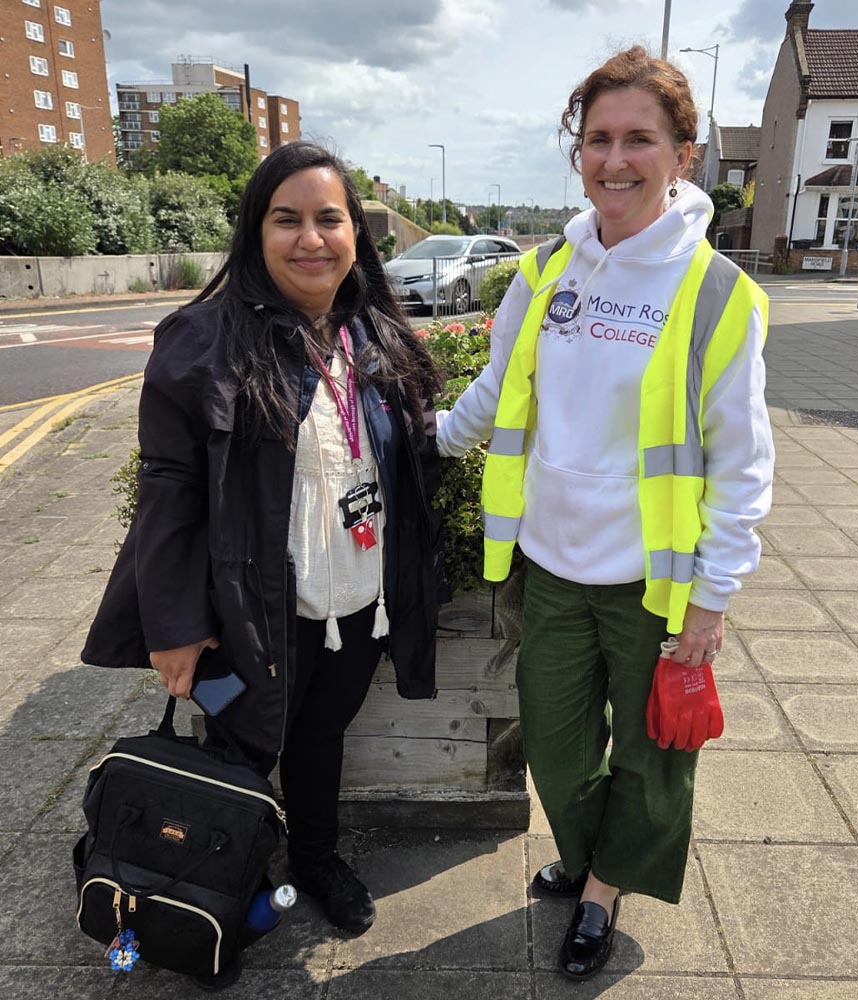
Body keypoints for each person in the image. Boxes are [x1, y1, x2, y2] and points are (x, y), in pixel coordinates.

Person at [437, 46, 773, 980]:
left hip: (654, 585)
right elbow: (494, 398)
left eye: (639, 139)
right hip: (548, 569)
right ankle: (588, 851)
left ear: (683, 154)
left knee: (655, 757)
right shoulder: (545, 272)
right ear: (576, 150)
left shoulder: (715, 294)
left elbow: (744, 465)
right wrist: (400, 436)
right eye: (597, 139)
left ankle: (603, 887)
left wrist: (713, 599)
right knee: (555, 742)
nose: (615, 159)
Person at [82, 142, 444, 978]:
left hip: (356, 600)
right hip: (243, 618)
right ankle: (204, 879)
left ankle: (314, 859)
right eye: (288, 219)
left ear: (357, 233)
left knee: (321, 738)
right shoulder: (203, 339)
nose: (310, 238)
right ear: (256, 231)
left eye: (329, 219)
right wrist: (174, 624)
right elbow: (168, 489)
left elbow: (406, 459)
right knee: (237, 747)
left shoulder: (373, 334)